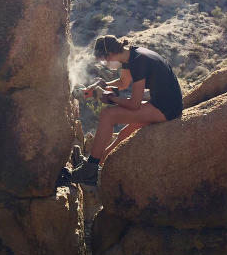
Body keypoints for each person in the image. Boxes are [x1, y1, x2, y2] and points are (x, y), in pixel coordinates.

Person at [68, 35, 184, 185]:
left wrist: (109, 98)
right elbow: (123, 83)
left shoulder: (138, 62)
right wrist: (103, 85)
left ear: (109, 55)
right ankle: (99, 162)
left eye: (103, 61)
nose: (105, 64)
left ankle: (89, 171)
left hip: (166, 108)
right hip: (164, 101)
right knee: (123, 133)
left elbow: (134, 104)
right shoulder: (131, 55)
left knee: (108, 115)